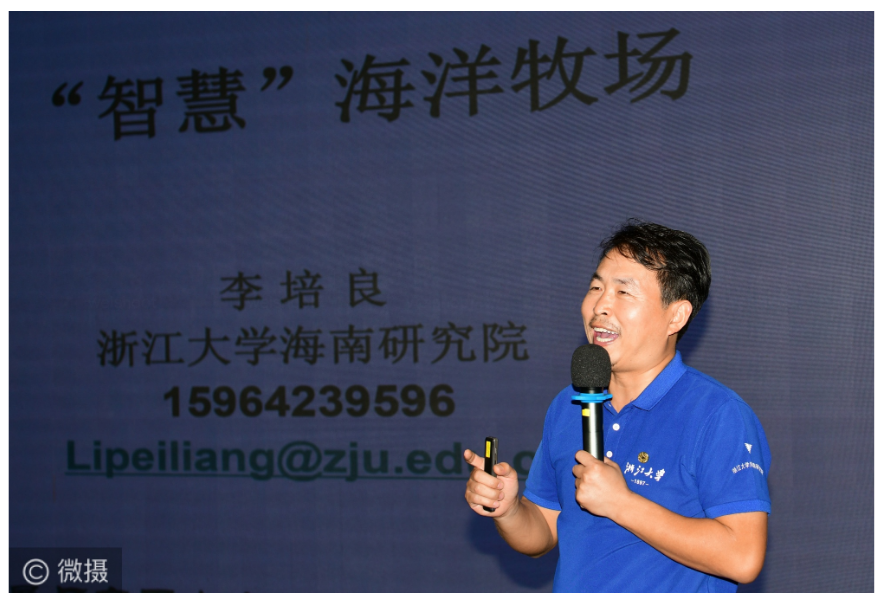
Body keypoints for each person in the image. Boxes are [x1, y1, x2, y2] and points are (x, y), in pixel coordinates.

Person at [463, 220, 771, 592]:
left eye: (623, 292)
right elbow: (542, 532)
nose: (600, 306)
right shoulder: (568, 403)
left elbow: (743, 557)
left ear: (676, 316)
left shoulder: (718, 414)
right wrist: (509, 509)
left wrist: (621, 503)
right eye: (596, 287)